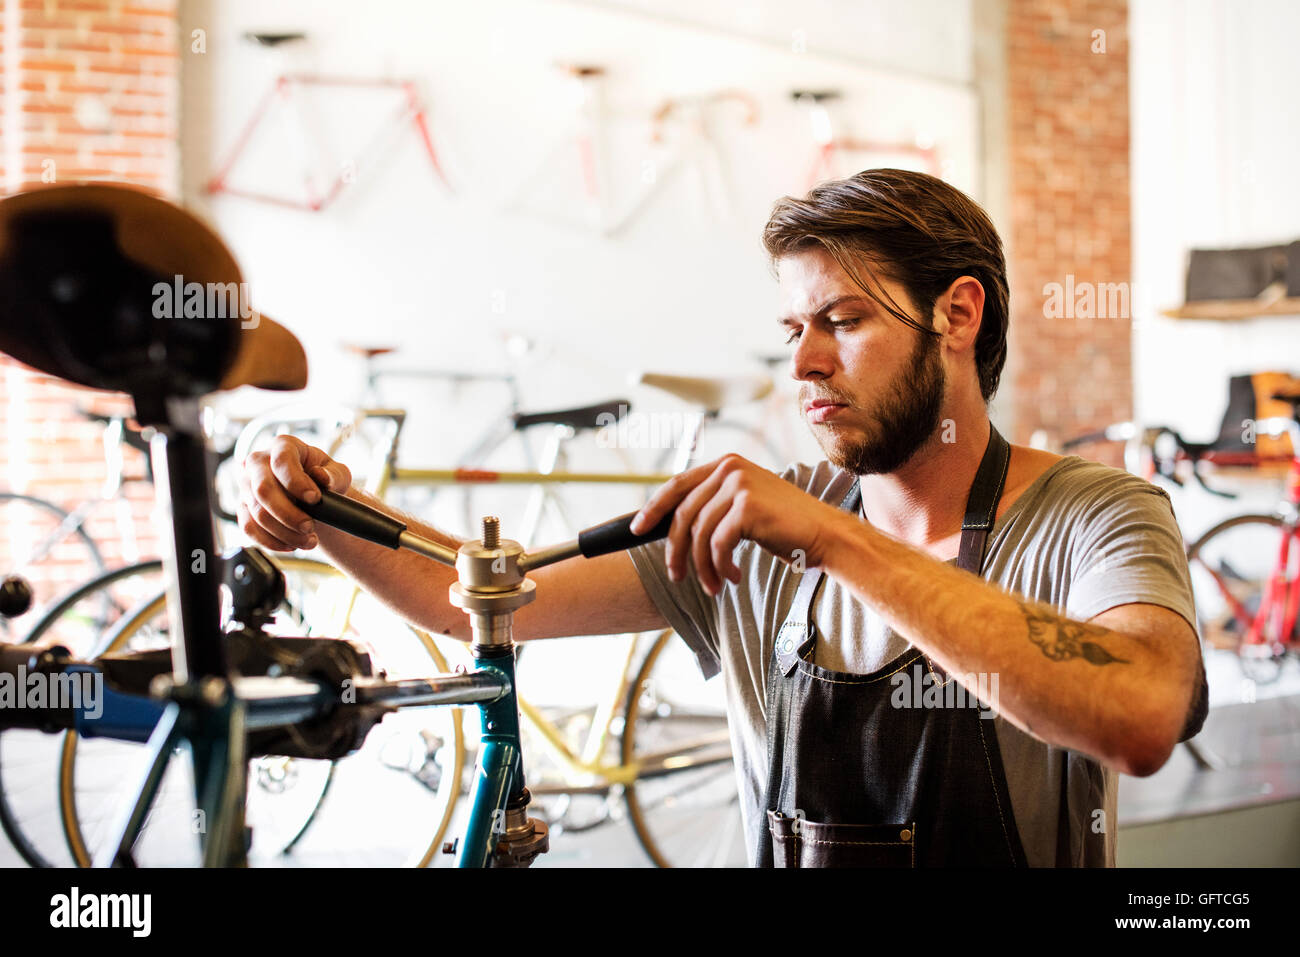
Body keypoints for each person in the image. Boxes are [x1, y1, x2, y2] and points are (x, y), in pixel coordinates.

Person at [238, 169, 1207, 867]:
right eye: (794, 330)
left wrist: (833, 538)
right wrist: (323, 504)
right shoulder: (748, 534)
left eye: (844, 321)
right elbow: (482, 601)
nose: (805, 366)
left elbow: (1141, 714)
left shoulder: (1096, 516)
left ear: (957, 315)